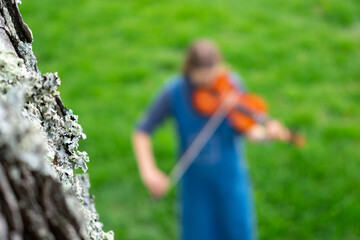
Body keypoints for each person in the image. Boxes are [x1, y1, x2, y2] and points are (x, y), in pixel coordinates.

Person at [132, 39, 290, 240]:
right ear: (190, 70)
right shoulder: (174, 92)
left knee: (237, 232)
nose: (210, 84)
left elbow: (249, 131)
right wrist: (149, 171)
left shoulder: (231, 86)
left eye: (214, 75)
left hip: (230, 181)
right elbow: (142, 131)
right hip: (195, 186)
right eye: (203, 78)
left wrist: (267, 133)